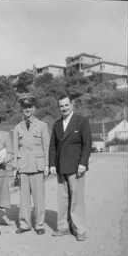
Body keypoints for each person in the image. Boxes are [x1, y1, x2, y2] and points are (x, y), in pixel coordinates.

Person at [49, 95, 92, 241]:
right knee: (62, 199)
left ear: (72, 105)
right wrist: (52, 165)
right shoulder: (56, 125)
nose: (64, 108)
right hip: (61, 167)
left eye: (66, 105)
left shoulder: (81, 121)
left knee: (77, 199)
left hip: (76, 167)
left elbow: (87, 144)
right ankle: (63, 227)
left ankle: (80, 229)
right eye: (61, 106)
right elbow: (53, 147)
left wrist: (83, 164)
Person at [13, 94, 50, 235]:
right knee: (23, 199)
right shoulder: (17, 128)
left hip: (37, 165)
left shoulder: (42, 125)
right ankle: (25, 224)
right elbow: (16, 149)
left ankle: (39, 224)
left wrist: (46, 165)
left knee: (39, 197)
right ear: (22, 109)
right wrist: (15, 168)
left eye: (30, 106)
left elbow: (46, 146)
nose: (27, 109)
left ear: (34, 108)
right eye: (25, 107)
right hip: (23, 166)